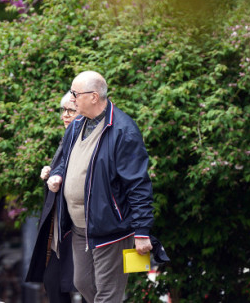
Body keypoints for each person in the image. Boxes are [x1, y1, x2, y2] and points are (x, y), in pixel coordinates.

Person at [46, 71, 155, 303]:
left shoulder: (123, 130)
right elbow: (63, 161)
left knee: (107, 293)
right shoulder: (76, 125)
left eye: (76, 94)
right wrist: (56, 174)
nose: (72, 99)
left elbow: (138, 184)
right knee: (82, 283)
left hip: (110, 228)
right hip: (79, 227)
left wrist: (142, 231)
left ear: (94, 97)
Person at [25, 93, 78, 303]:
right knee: (53, 281)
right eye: (63, 110)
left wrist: (59, 175)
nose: (65, 115)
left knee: (82, 286)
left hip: (76, 228)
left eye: (71, 110)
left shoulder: (83, 139)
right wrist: (52, 171)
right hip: (61, 229)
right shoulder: (67, 137)